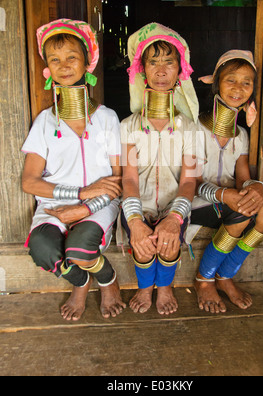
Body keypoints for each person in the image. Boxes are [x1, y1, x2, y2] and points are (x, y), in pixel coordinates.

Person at [22, 18, 126, 321]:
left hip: (100, 204)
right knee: (41, 249)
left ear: (87, 64)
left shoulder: (106, 118)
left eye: (71, 57)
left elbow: (117, 178)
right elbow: (30, 182)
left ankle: (107, 279)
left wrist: (85, 206)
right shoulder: (45, 122)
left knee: (80, 248)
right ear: (47, 69)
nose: (63, 65)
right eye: (55, 59)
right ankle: (80, 282)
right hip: (55, 204)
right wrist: (76, 194)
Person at [121, 22, 201, 315]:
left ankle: (164, 287)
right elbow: (128, 179)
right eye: (153, 62)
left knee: (168, 242)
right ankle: (145, 287)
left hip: (174, 203)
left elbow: (189, 182)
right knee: (142, 244)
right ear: (141, 70)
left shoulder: (188, 128)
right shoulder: (128, 126)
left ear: (181, 70)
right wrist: (135, 221)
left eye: (170, 62)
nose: (162, 70)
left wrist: (174, 217)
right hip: (137, 203)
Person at [191, 50, 263, 313]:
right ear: (216, 83)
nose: (238, 88)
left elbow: (242, 177)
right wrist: (225, 196)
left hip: (228, 200)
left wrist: (255, 190)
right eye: (231, 79)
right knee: (240, 212)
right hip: (195, 203)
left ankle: (225, 274)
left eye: (246, 82)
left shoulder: (240, 135)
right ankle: (204, 279)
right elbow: (189, 182)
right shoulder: (195, 128)